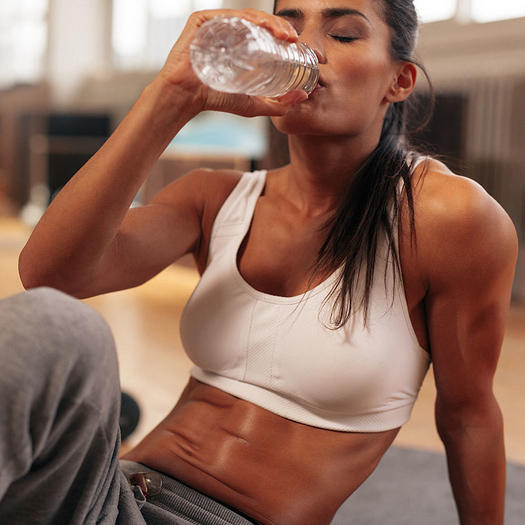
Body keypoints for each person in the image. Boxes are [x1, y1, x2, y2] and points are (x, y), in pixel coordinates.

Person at [6, 0, 517, 524]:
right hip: (112, 498)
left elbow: (468, 416)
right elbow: (50, 275)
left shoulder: (449, 219)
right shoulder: (215, 198)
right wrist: (173, 95)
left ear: (399, 80)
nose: (308, 49)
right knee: (57, 329)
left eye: (343, 35)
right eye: (289, 28)